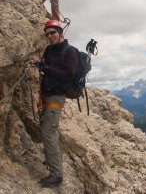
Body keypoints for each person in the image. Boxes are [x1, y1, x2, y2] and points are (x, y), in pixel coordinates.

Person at [34, 20, 78, 187]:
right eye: (47, 34)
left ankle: (56, 175)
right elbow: (45, 64)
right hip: (46, 94)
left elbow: (69, 74)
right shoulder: (49, 49)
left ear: (60, 32)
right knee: (47, 129)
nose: (50, 36)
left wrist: (46, 69)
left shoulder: (70, 51)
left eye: (53, 32)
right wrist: (41, 65)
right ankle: (52, 161)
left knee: (48, 131)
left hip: (57, 96)